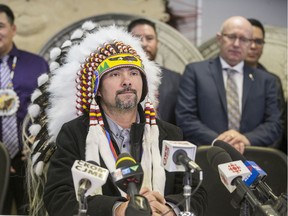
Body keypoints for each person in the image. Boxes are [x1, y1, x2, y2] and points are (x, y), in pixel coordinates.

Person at [40, 25, 207, 216]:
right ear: (98, 90)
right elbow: (58, 197)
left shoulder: (169, 133)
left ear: (143, 85)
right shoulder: (75, 134)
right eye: (115, 74)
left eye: (134, 73)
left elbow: (197, 192)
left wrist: (170, 208)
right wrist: (117, 209)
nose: (127, 81)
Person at [176, 16, 282, 154]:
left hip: (251, 158)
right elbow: (185, 118)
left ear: (250, 43)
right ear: (219, 38)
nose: (237, 44)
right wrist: (220, 141)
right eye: (232, 37)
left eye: (244, 39)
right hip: (207, 156)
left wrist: (245, 139)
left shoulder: (266, 81)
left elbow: (274, 125)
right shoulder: (195, 72)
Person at [0, 4, 49, 215]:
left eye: (0, 26)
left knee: (31, 211)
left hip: (27, 162)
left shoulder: (36, 65)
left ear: (13, 29)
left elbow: (48, 111)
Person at [128, 18, 181, 125]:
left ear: (157, 43)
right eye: (137, 38)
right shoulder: (117, 78)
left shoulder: (176, 79)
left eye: (149, 38)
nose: (144, 43)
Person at [245, 18, 286, 153]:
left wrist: (264, 158)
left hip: (260, 155)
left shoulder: (272, 81)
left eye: (258, 41)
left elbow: (277, 128)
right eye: (249, 40)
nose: (253, 46)